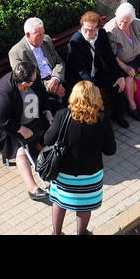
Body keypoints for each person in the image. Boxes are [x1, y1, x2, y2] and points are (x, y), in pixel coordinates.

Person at [43, 81, 116, 236]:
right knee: (84, 208)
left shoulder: (63, 115)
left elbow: (47, 140)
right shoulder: (102, 119)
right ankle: (81, 233)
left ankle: (56, 233)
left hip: (63, 175)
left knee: (58, 203)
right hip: (90, 177)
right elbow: (110, 150)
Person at [0, 61, 54, 204]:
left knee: (50, 124)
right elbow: (1, 118)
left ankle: (39, 149)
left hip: (30, 117)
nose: (36, 79)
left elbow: (43, 96)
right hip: (6, 126)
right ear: (25, 82)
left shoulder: (33, 79)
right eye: (34, 80)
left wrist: (47, 112)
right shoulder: (3, 92)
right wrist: (21, 129)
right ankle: (32, 189)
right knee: (21, 150)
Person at [64, 11, 128, 124]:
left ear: (98, 28)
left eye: (92, 30)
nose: (88, 33)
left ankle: (118, 115)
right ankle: (94, 122)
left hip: (97, 73)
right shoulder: (76, 41)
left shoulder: (102, 35)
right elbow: (80, 70)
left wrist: (120, 75)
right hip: (81, 79)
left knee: (117, 82)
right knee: (90, 93)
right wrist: (92, 86)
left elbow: (110, 57)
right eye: (85, 29)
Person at [104, 2, 140, 122]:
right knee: (129, 77)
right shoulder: (111, 30)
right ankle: (132, 106)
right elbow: (112, 56)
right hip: (122, 62)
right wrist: (126, 68)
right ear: (116, 16)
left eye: (127, 22)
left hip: (138, 57)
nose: (123, 24)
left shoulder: (137, 23)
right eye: (121, 21)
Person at [8, 17, 66, 105]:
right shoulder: (16, 53)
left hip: (59, 81)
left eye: (43, 33)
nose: (42, 37)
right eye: (38, 35)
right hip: (40, 93)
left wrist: (56, 79)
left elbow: (59, 62)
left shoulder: (47, 40)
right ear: (28, 35)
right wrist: (50, 87)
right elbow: (25, 81)